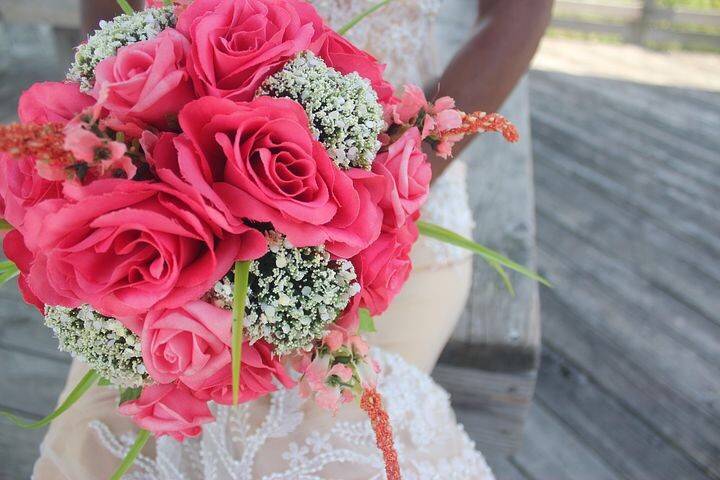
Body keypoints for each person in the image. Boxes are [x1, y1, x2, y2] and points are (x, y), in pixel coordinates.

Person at [34, 1, 552, 478]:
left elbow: (516, 17)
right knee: (109, 442)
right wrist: (122, 130)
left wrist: (376, 187)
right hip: (147, 219)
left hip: (394, 218)